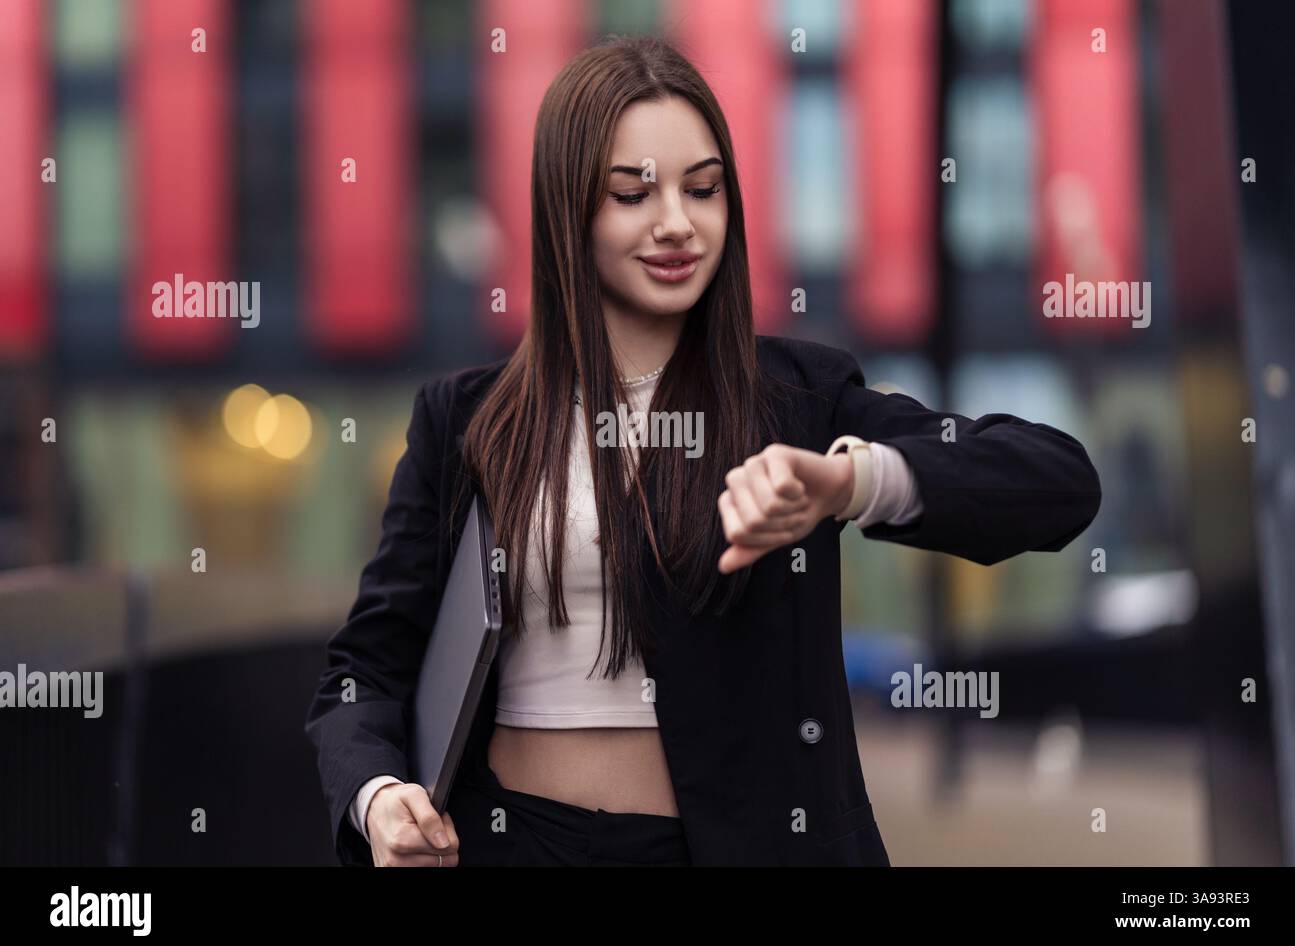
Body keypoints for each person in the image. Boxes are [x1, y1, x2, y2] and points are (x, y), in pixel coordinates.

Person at [303, 35, 1101, 867]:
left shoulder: (799, 398)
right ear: (567, 207)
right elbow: (365, 666)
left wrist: (849, 481)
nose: (677, 224)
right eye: (632, 194)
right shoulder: (467, 418)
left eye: (704, 189)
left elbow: (1057, 481)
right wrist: (378, 795)